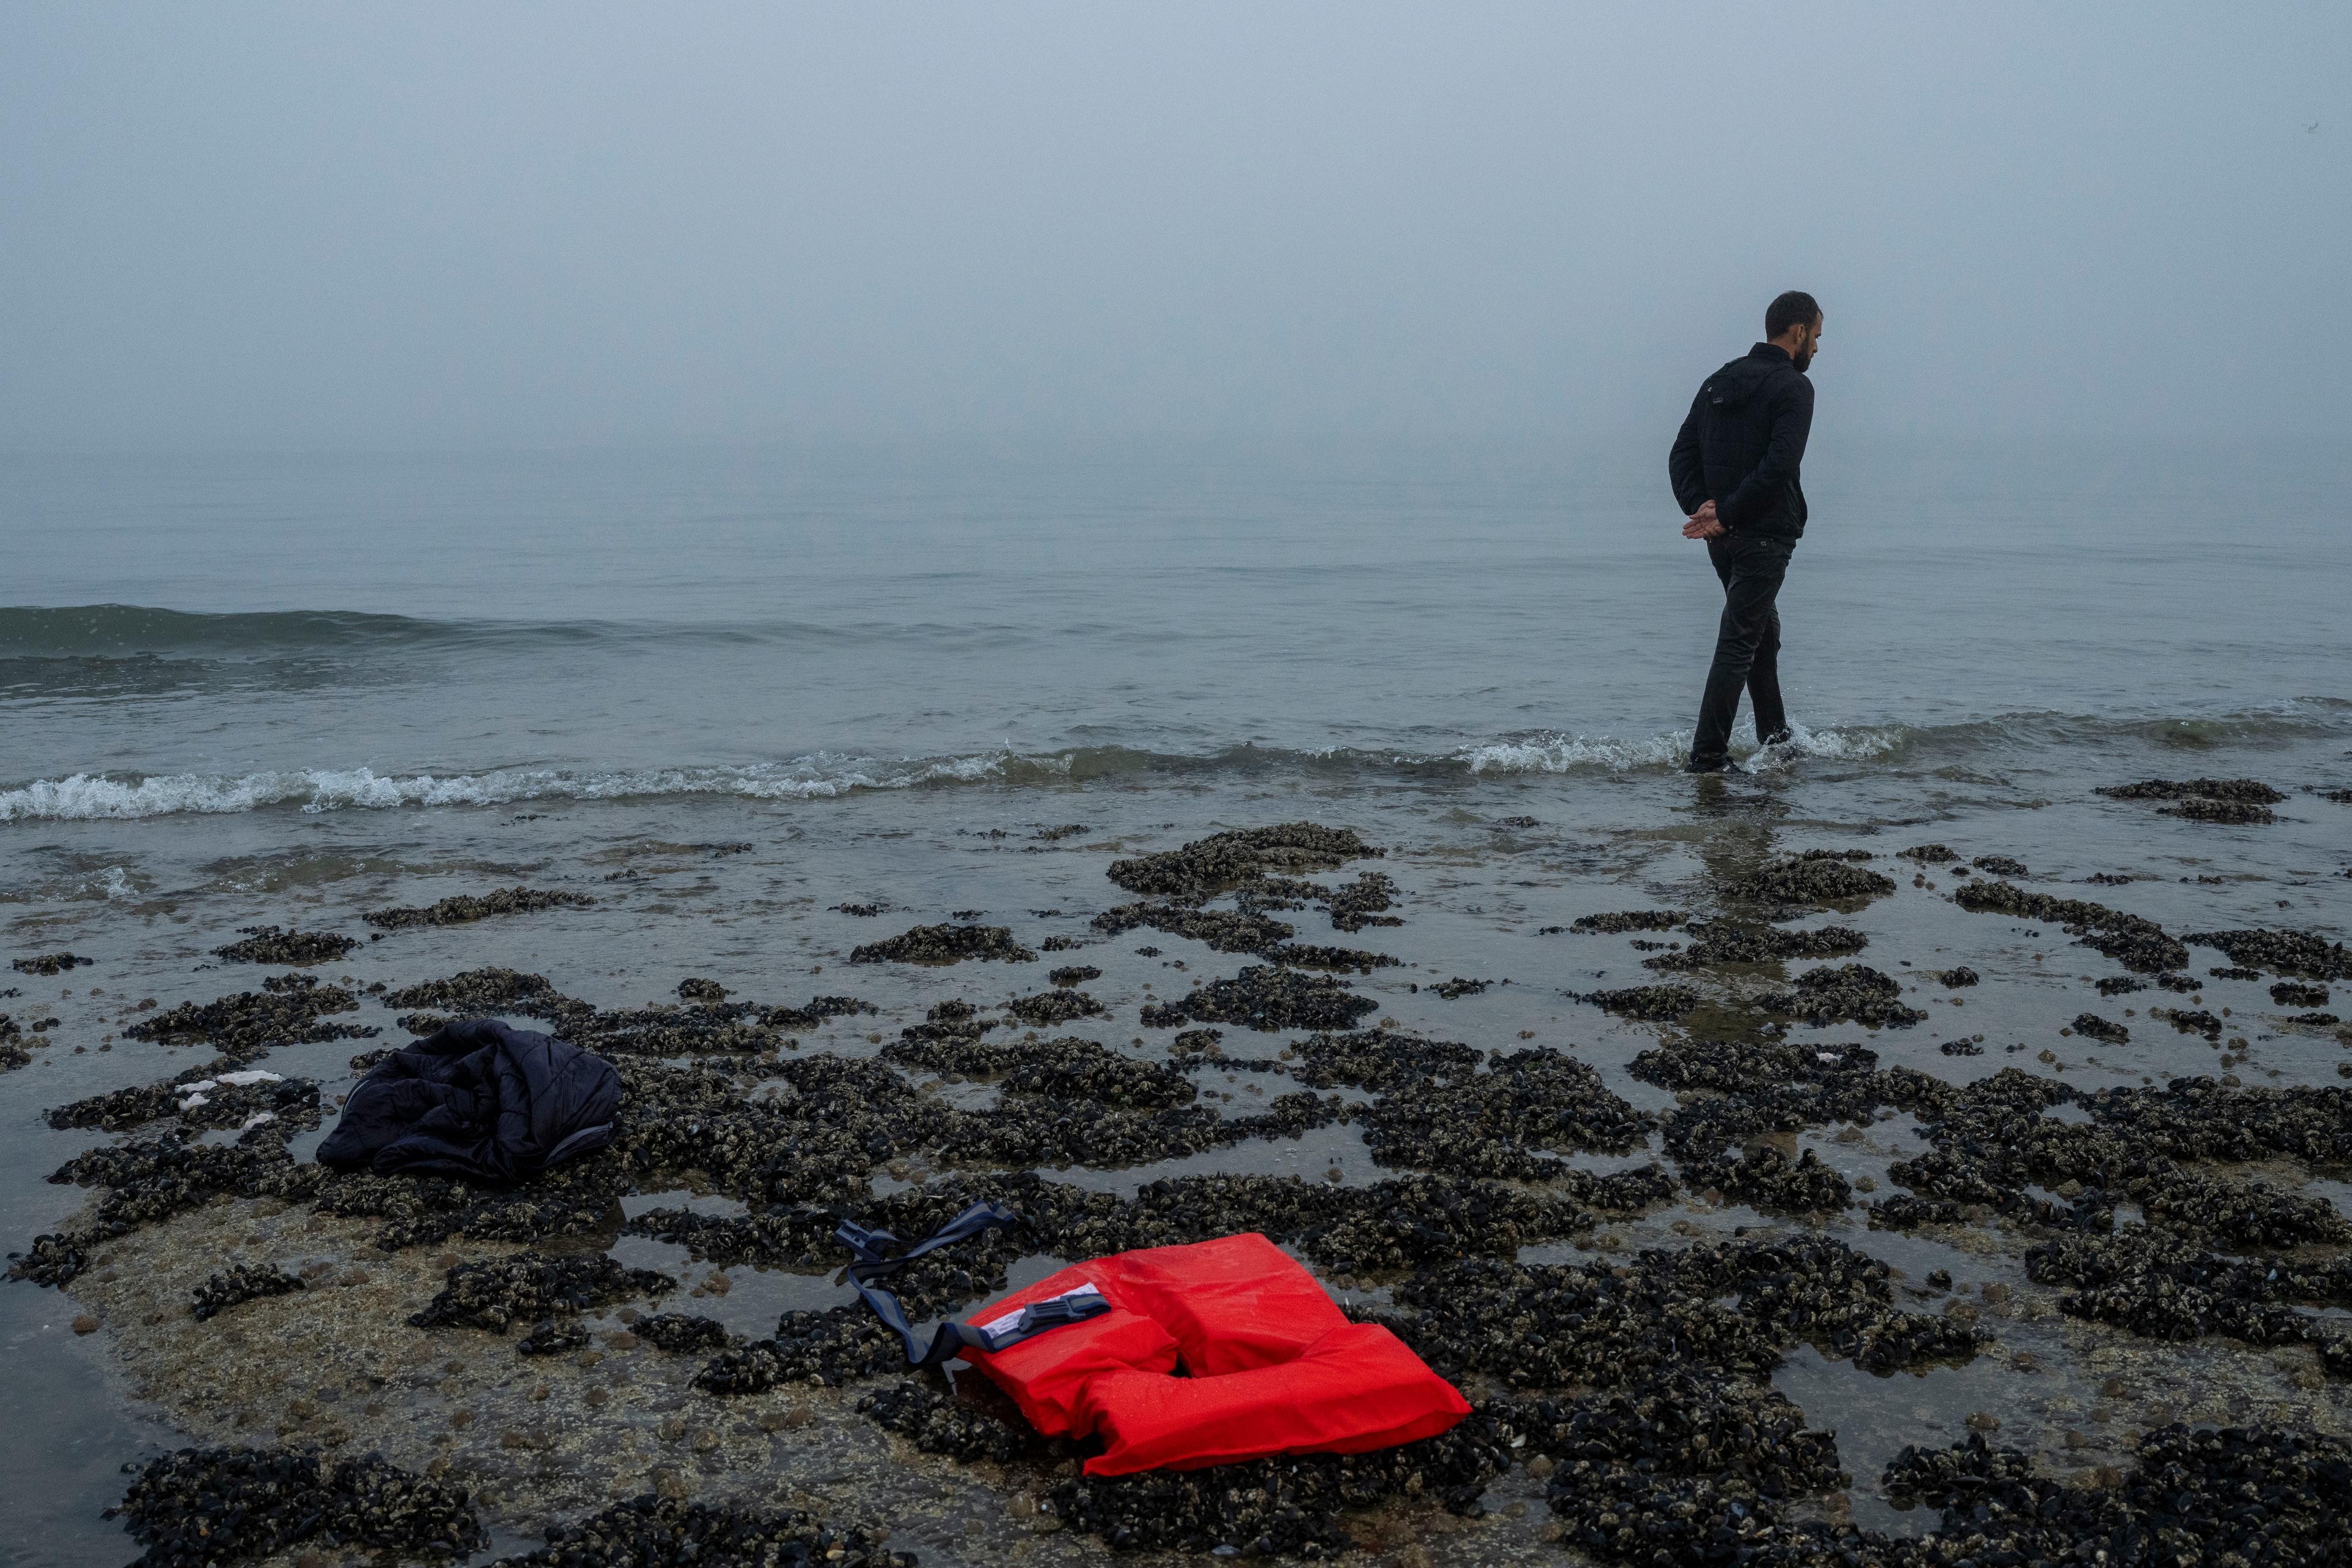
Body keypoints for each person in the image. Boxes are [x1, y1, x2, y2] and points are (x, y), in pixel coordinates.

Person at [1668, 290, 1822, 773]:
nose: (1817, 348)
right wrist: (1722, 513)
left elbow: (1681, 455)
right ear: (1797, 333)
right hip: (1763, 535)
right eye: (1816, 337)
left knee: (1761, 634)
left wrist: (1704, 508)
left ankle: (1776, 739)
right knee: (1740, 640)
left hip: (1724, 538)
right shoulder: (1795, 388)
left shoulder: (1721, 379)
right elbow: (1778, 467)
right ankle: (1708, 755)